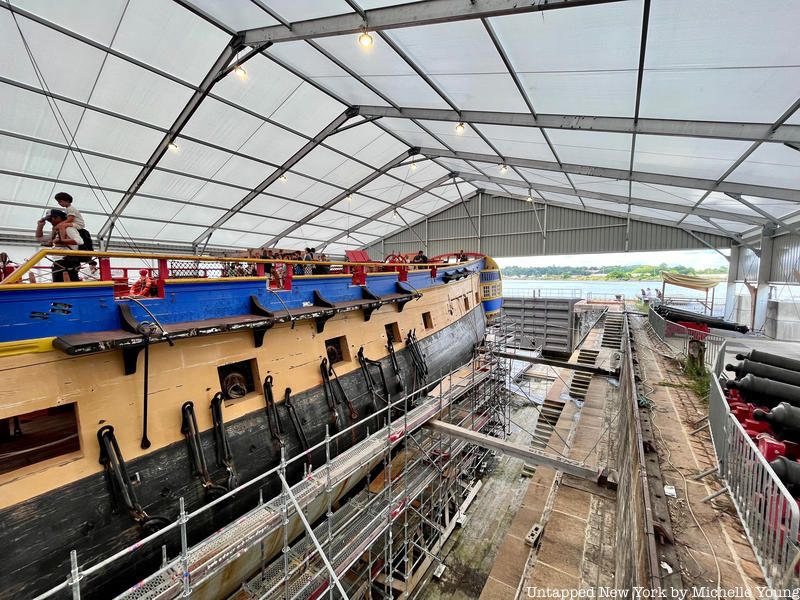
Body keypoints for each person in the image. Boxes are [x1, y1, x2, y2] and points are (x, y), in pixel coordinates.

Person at [35, 209, 84, 282]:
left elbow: (79, 241)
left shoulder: (68, 228)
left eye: (50, 219)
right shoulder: (56, 231)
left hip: (68, 261)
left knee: (69, 286)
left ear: (58, 218)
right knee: (59, 285)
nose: (50, 222)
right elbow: (39, 238)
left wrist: (61, 241)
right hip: (59, 262)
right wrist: (40, 226)